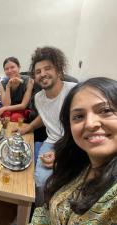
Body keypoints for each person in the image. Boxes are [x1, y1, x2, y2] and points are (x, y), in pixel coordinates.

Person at [31, 77, 117, 224]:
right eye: (79, 116)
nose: (90, 124)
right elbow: (45, 211)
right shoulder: (79, 165)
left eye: (105, 110)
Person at [14, 47, 76, 206]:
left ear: (58, 69)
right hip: (51, 142)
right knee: (40, 182)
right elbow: (45, 116)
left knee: (54, 182)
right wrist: (28, 127)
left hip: (74, 143)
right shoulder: (39, 98)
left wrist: (62, 155)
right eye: (38, 71)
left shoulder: (74, 92)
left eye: (48, 68)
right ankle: (39, 214)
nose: (43, 74)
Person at [0, 57, 34, 122]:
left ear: (19, 67)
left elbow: (24, 105)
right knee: (4, 118)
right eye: (6, 69)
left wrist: (3, 109)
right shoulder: (2, 84)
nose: (9, 71)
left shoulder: (29, 81)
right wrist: (8, 86)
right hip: (7, 109)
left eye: (12, 67)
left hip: (22, 110)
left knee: (15, 118)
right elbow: (6, 104)